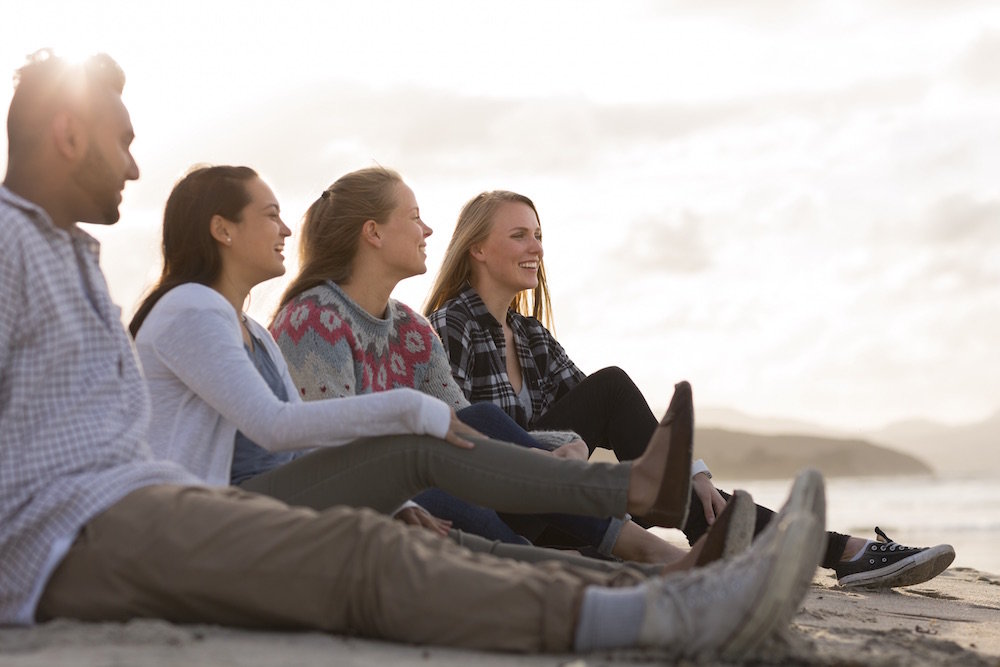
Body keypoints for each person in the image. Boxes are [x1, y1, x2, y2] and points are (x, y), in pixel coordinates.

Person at [0, 48, 826, 659]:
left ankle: (668, 583)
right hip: (70, 533)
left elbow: (138, 447)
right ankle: (661, 612)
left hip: (140, 506)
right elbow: (278, 426)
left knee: (410, 523)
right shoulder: (29, 251)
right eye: (121, 141)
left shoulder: (72, 256)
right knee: (372, 551)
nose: (135, 165)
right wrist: (409, 418)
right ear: (69, 135)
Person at [129, 164, 701, 568]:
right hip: (240, 518)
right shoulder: (298, 320)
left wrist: (559, 445)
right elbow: (292, 433)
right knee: (433, 467)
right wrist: (409, 420)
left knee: (459, 450)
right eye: (416, 216)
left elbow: (458, 419)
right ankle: (628, 511)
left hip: (374, 491)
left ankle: (647, 554)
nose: (429, 230)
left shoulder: (374, 325)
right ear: (373, 232)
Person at [425, 189, 957, 589]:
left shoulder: (531, 335)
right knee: (613, 392)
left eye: (539, 234)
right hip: (495, 507)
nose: (535, 247)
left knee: (689, 486)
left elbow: (612, 418)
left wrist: (694, 473)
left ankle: (831, 548)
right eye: (519, 234)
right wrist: (555, 452)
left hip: (558, 509)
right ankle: (839, 550)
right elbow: (468, 434)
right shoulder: (451, 327)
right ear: (476, 249)